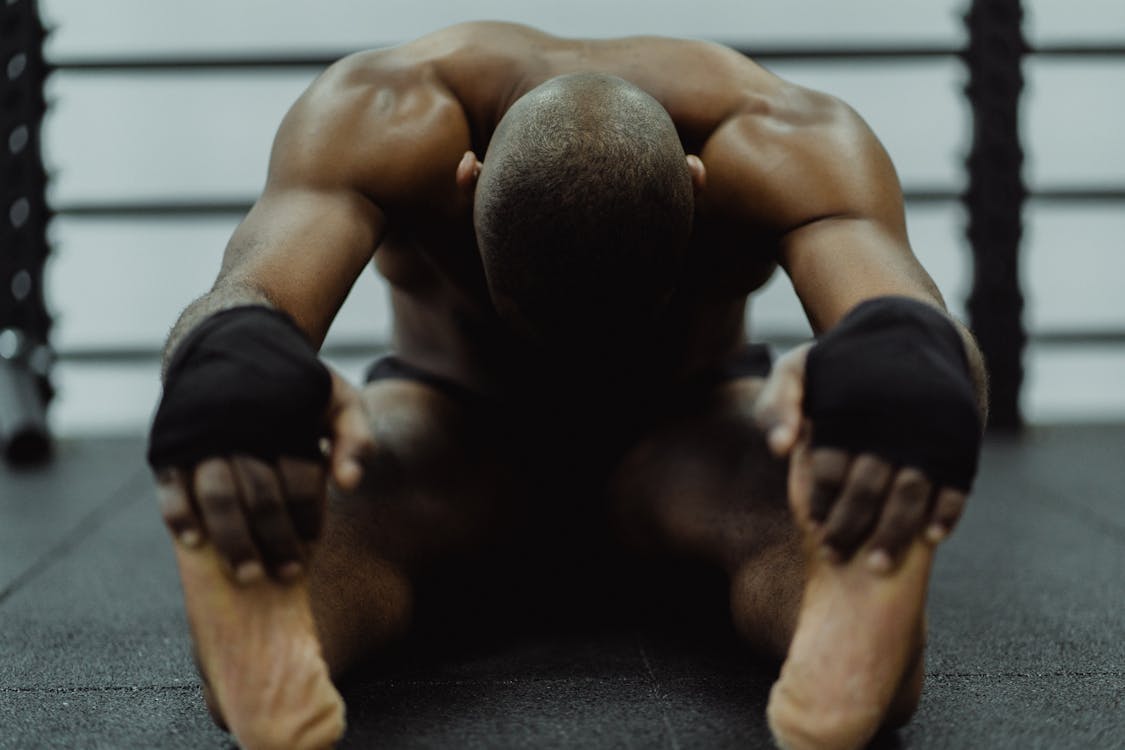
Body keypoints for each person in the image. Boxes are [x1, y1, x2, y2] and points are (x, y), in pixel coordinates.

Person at [147, 21, 988, 750]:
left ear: (698, 190)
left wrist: (889, 374)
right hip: (463, 428)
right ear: (466, 182)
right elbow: (250, 293)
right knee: (324, 505)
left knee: (801, 501)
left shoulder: (789, 139)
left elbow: (905, 319)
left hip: (676, 429)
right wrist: (240, 376)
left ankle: (851, 625)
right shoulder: (379, 113)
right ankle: (269, 611)